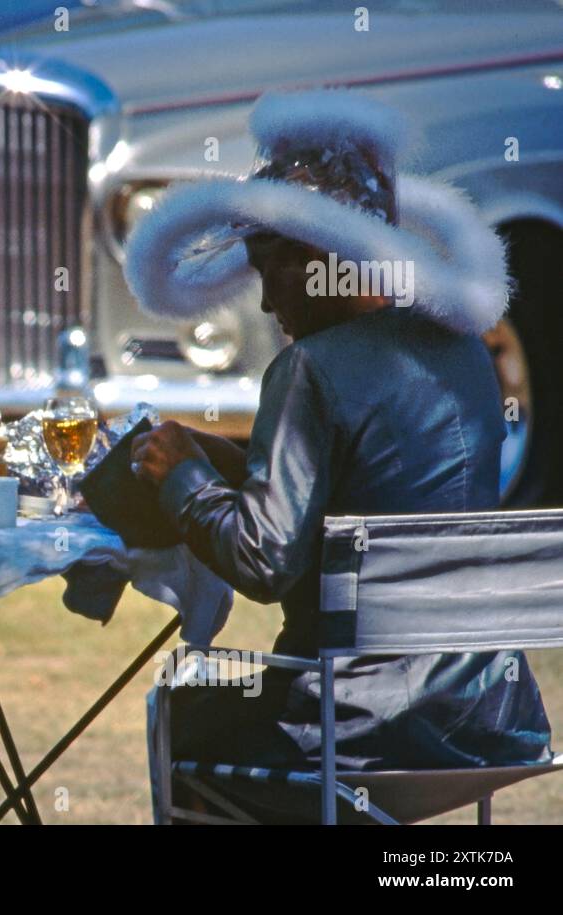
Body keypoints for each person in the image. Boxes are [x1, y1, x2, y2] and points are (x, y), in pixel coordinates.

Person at [121, 91, 552, 823]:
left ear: (322, 258)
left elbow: (263, 562)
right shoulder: (465, 354)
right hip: (486, 717)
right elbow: (385, 483)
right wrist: (232, 462)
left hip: (350, 726)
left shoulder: (309, 370)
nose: (264, 305)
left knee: (186, 709)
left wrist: (180, 475)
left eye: (270, 271)